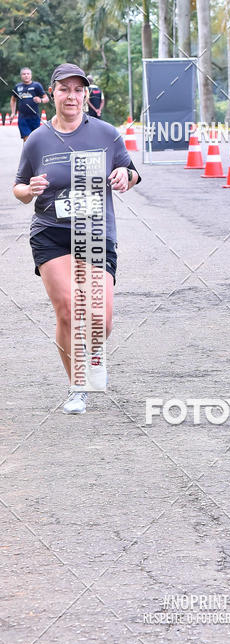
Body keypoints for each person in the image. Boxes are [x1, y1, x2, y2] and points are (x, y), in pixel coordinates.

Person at [13, 63, 141, 415]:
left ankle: (93, 353)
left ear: (85, 94)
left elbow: (131, 173)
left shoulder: (106, 133)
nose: (71, 96)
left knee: (101, 320)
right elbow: (18, 188)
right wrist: (29, 189)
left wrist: (123, 174)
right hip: (50, 233)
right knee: (68, 310)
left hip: (95, 232)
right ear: (52, 93)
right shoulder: (37, 139)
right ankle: (77, 385)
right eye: (64, 89)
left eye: (78, 90)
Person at [11, 67, 49, 141]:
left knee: (35, 140)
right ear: (21, 76)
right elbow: (13, 100)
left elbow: (46, 99)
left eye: (28, 74)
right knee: (27, 139)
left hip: (35, 117)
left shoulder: (36, 86)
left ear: (31, 75)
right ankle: (27, 149)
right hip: (22, 117)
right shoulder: (18, 87)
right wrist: (13, 112)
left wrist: (40, 100)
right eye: (24, 74)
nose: (26, 75)